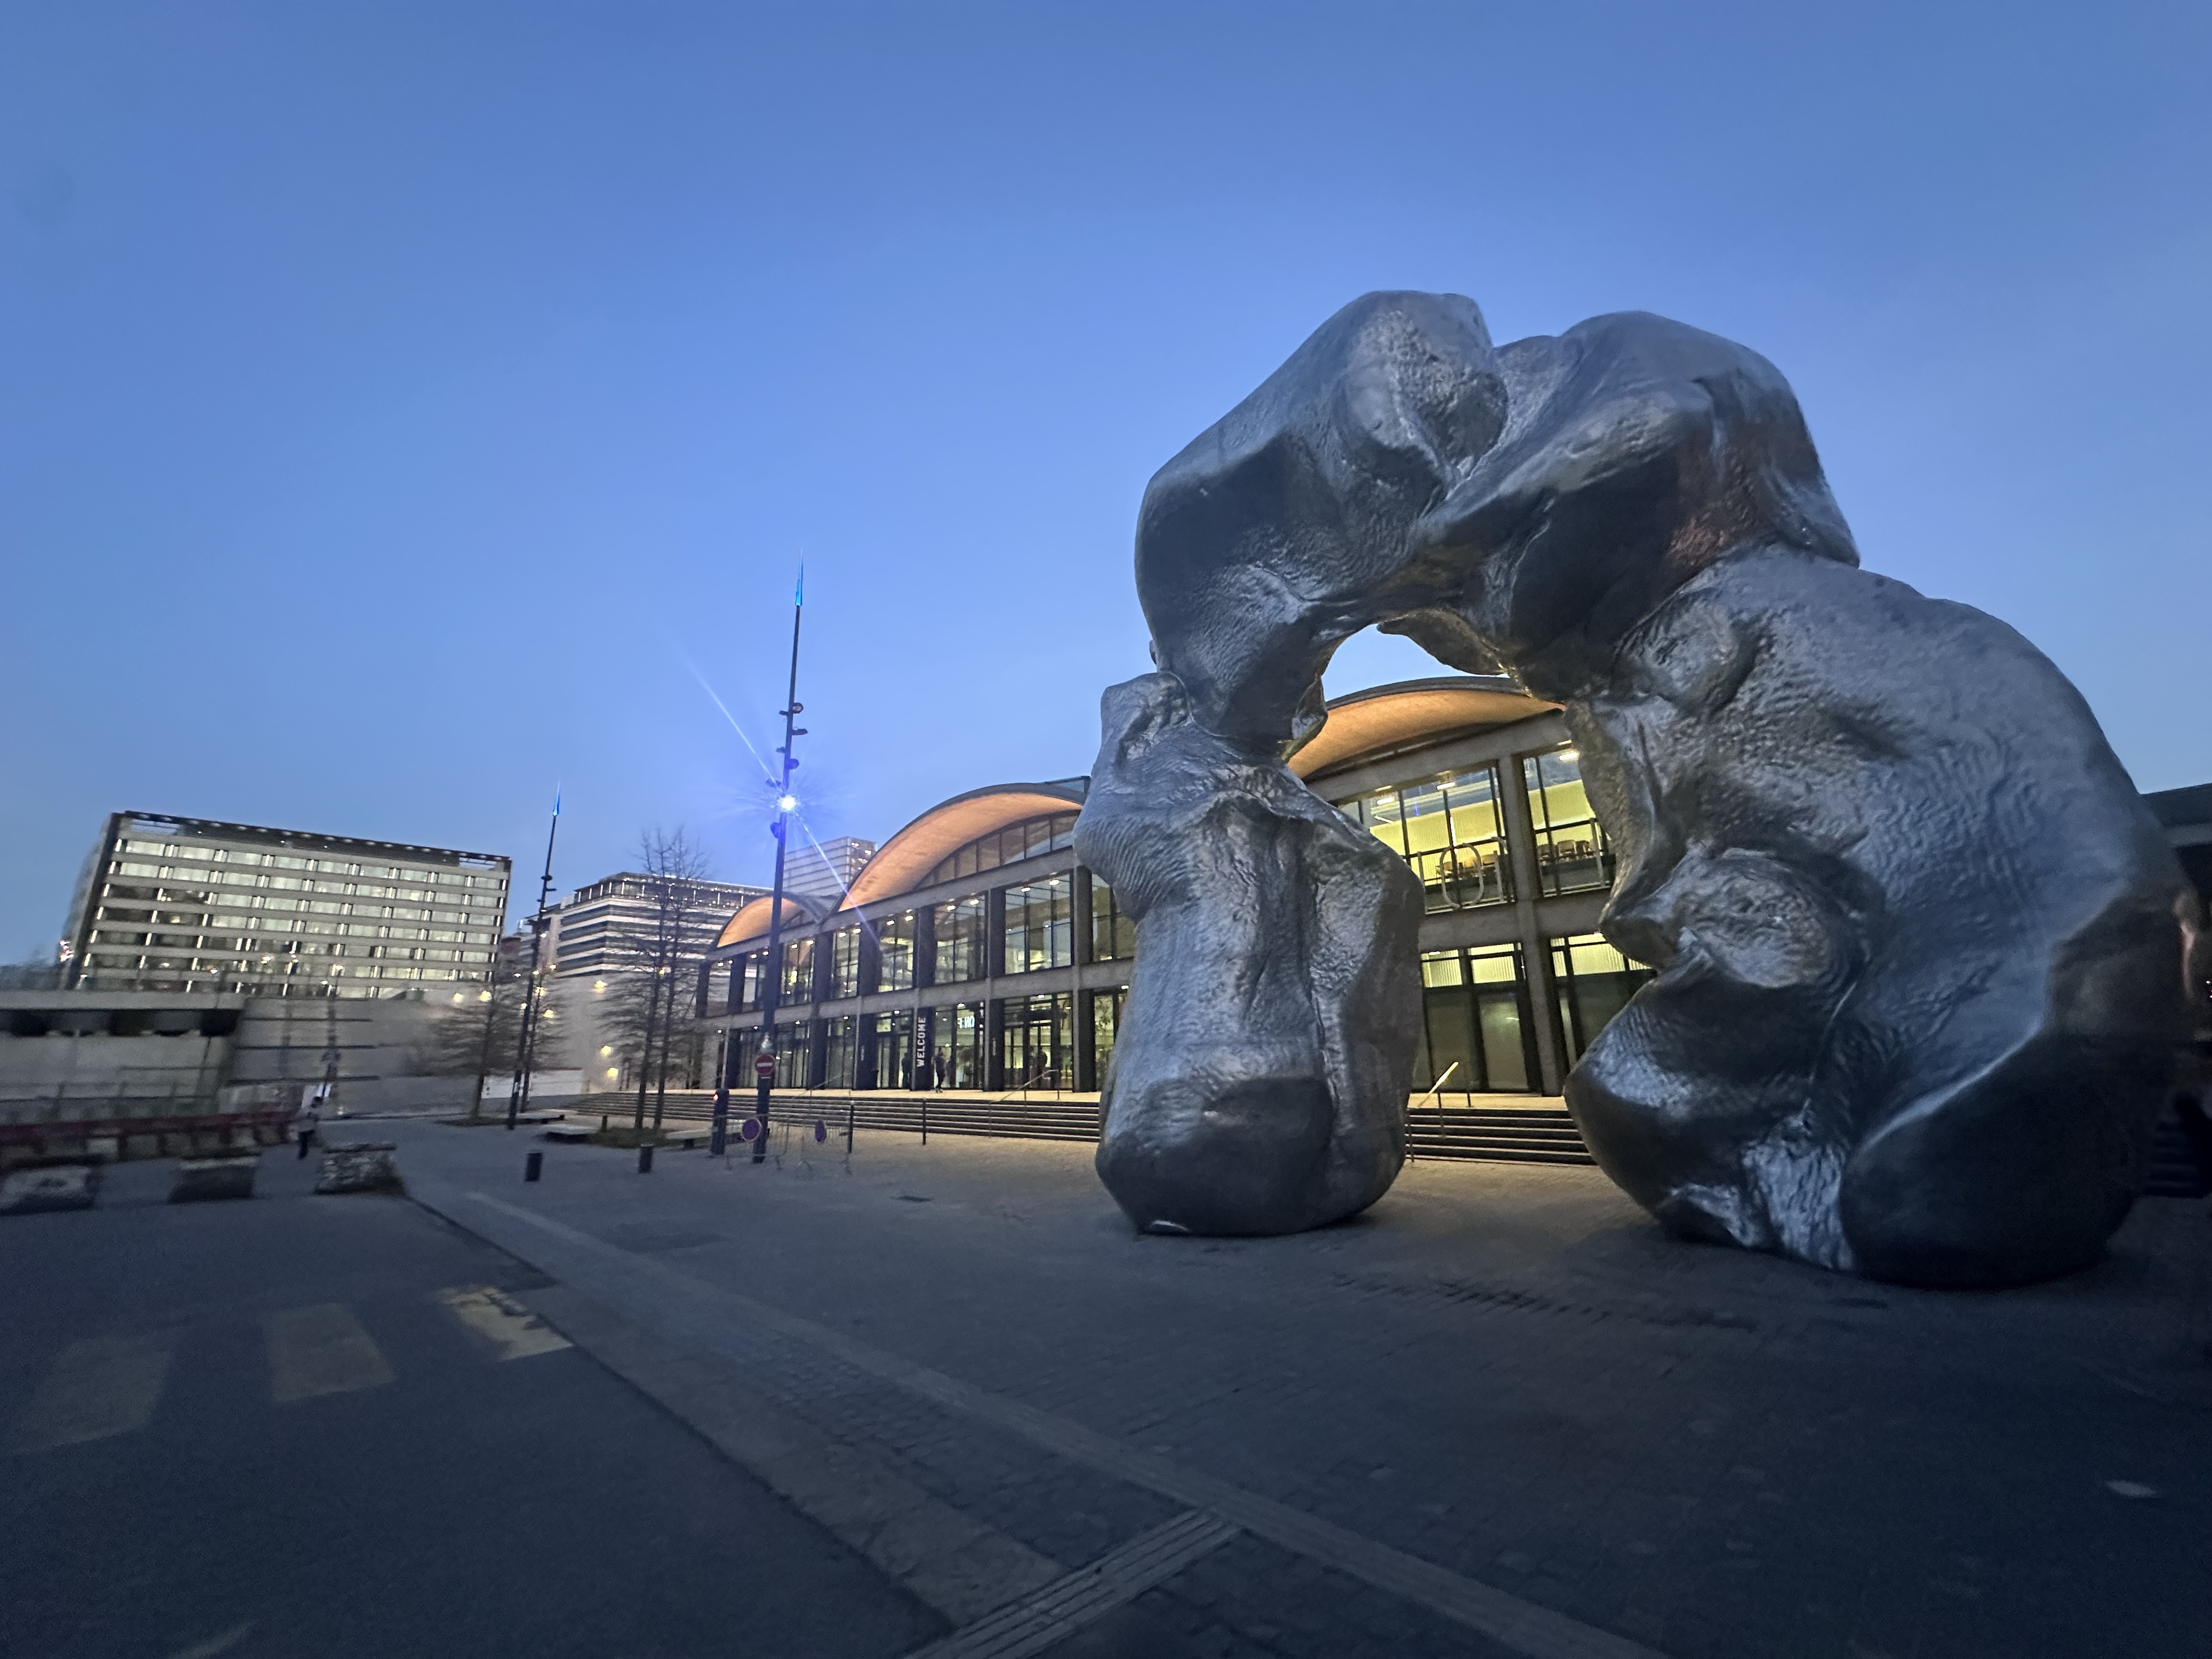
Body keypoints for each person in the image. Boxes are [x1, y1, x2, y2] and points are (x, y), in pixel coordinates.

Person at [294, 1096, 321, 1160]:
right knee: (303, 1142)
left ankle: (304, 1154)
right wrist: (306, 1116)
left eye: (317, 1102)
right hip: (302, 1129)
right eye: (314, 1102)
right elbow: (297, 1117)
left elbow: (319, 1119)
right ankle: (303, 1154)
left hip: (311, 1129)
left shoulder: (319, 1111)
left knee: (305, 1142)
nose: (315, 1103)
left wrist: (315, 1118)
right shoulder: (306, 1109)